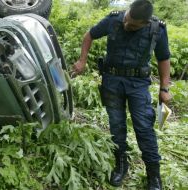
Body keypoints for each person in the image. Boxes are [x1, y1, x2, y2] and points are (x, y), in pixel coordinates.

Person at [72, 0, 171, 189]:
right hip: (112, 82)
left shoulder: (157, 29)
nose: (127, 24)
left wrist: (164, 88)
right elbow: (89, 35)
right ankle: (121, 164)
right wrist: (82, 60)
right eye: (127, 19)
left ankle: (154, 175)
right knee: (116, 125)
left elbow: (164, 58)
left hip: (138, 84)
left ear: (145, 23)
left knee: (143, 127)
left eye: (133, 25)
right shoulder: (114, 19)